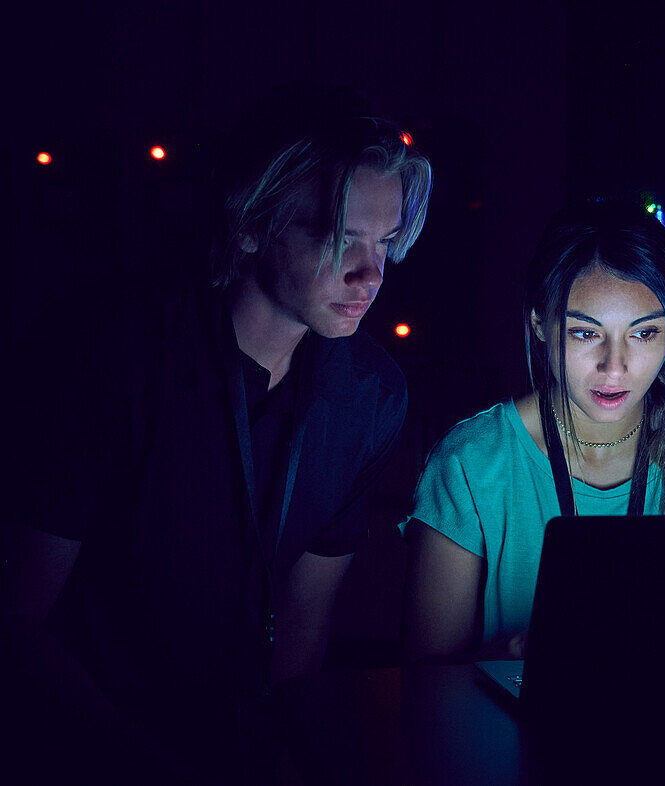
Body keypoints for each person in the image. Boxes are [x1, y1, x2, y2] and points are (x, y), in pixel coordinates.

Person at [1, 85, 431, 782]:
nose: (371, 274)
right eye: (338, 238)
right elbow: (15, 624)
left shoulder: (371, 397)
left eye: (385, 243)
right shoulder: (110, 357)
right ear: (251, 223)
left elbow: (301, 624)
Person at [401, 200, 665, 663]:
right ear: (539, 321)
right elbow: (424, 685)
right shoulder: (470, 465)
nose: (614, 367)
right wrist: (515, 653)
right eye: (585, 333)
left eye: (643, 334)